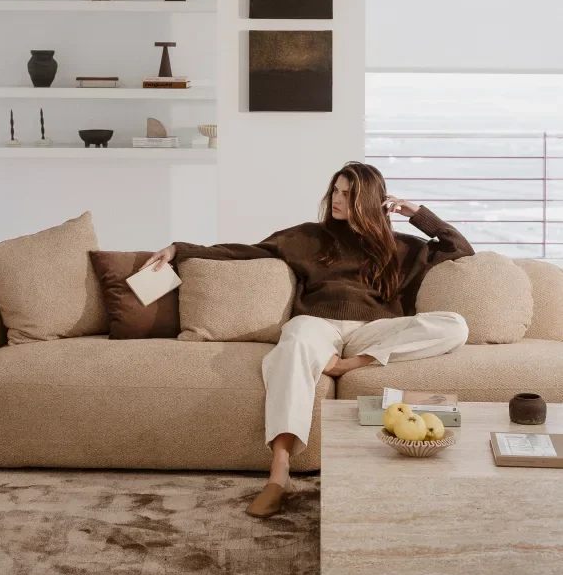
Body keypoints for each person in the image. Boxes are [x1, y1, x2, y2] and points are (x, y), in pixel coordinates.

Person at [140, 161, 475, 518]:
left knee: (455, 325)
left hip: (373, 333)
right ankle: (279, 471)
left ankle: (348, 365)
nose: (337, 199)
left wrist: (418, 213)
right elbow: (246, 251)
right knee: (295, 338)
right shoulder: (308, 237)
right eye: (336, 190)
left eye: (348, 194)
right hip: (320, 325)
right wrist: (180, 249)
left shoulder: (404, 246)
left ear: (372, 200)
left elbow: (461, 249)